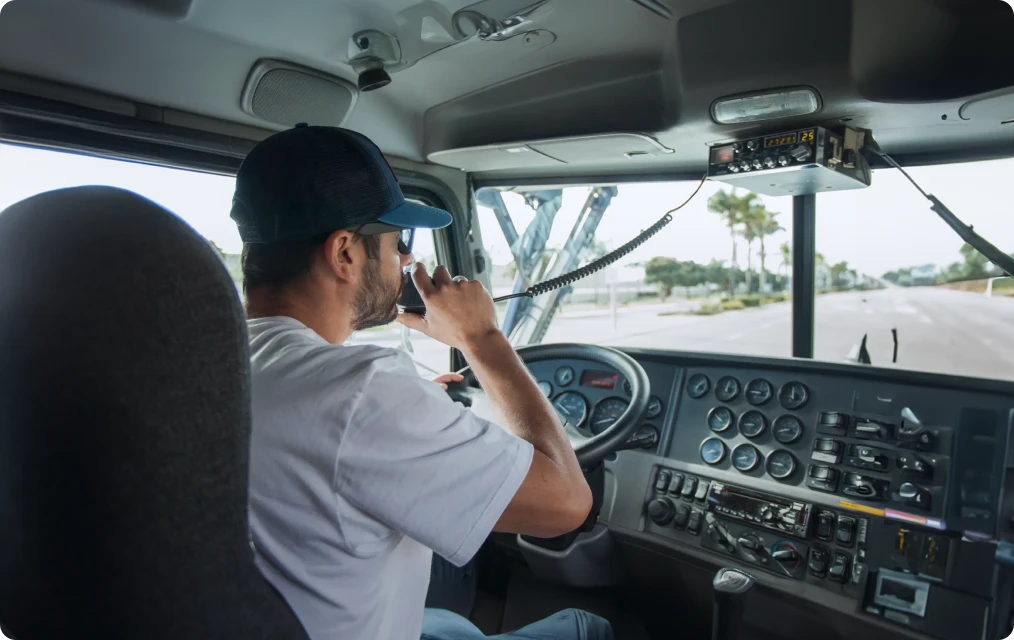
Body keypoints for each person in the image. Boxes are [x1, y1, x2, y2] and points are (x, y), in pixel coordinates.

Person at [231, 124, 613, 640]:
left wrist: (410, 414)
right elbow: (567, 505)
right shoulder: (364, 391)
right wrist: (481, 337)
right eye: (397, 240)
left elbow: (327, 439)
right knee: (587, 628)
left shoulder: (215, 362)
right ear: (344, 252)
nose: (407, 260)